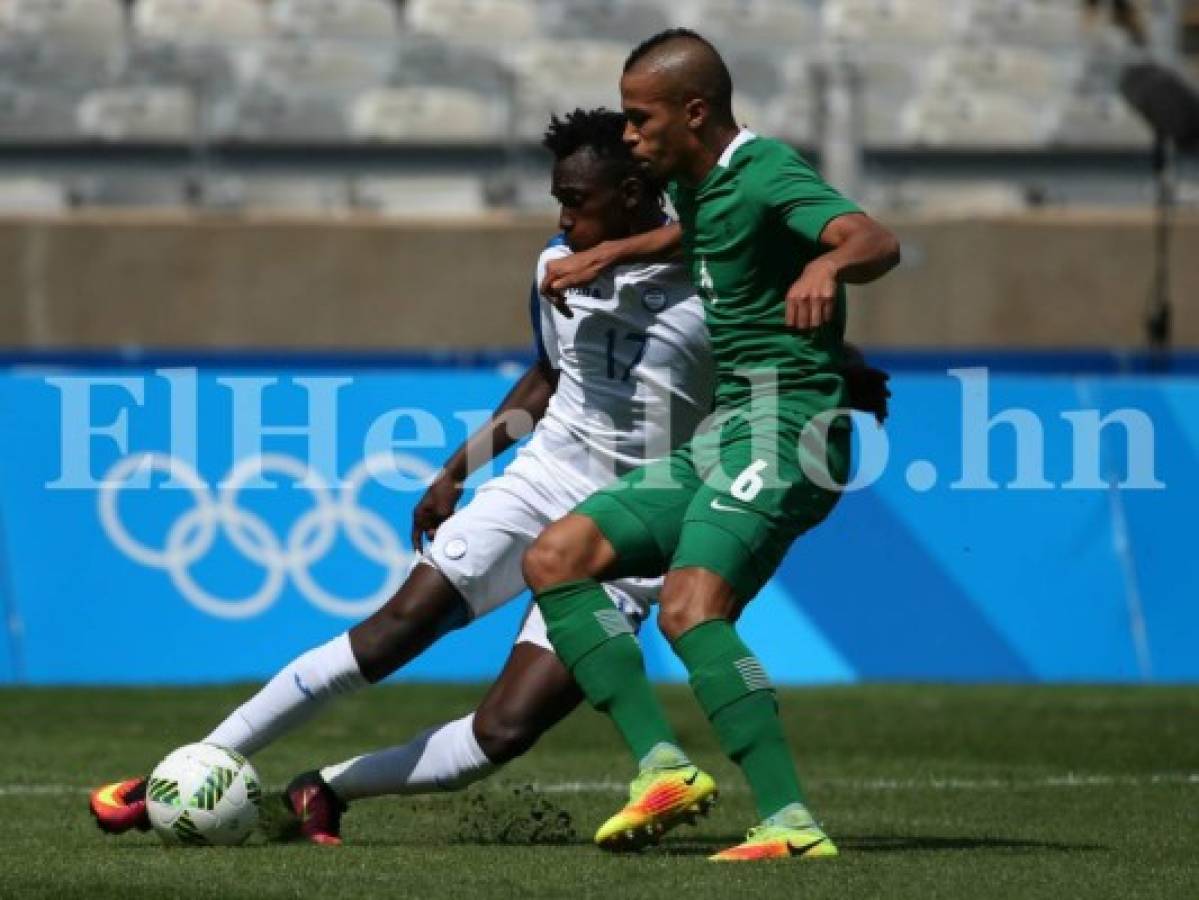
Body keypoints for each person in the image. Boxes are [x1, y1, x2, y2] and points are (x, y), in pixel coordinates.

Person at [89, 108, 715, 844]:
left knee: (504, 731)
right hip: (539, 489)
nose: (562, 215)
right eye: (559, 198)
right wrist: (455, 472)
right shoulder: (553, 267)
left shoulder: (715, 283)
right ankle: (174, 773)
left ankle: (324, 789)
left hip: (630, 530)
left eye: (577, 200)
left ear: (637, 193)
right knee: (389, 634)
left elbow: (797, 329)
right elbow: (548, 377)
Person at [520, 29, 901, 862]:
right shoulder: (695, 185)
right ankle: (664, 769)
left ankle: (790, 824)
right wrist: (617, 248)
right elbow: (706, 239)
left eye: (636, 117)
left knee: (690, 606)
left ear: (693, 112)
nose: (626, 135)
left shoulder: (766, 171)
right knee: (557, 556)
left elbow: (873, 239)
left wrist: (826, 270)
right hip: (730, 429)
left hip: (791, 426)